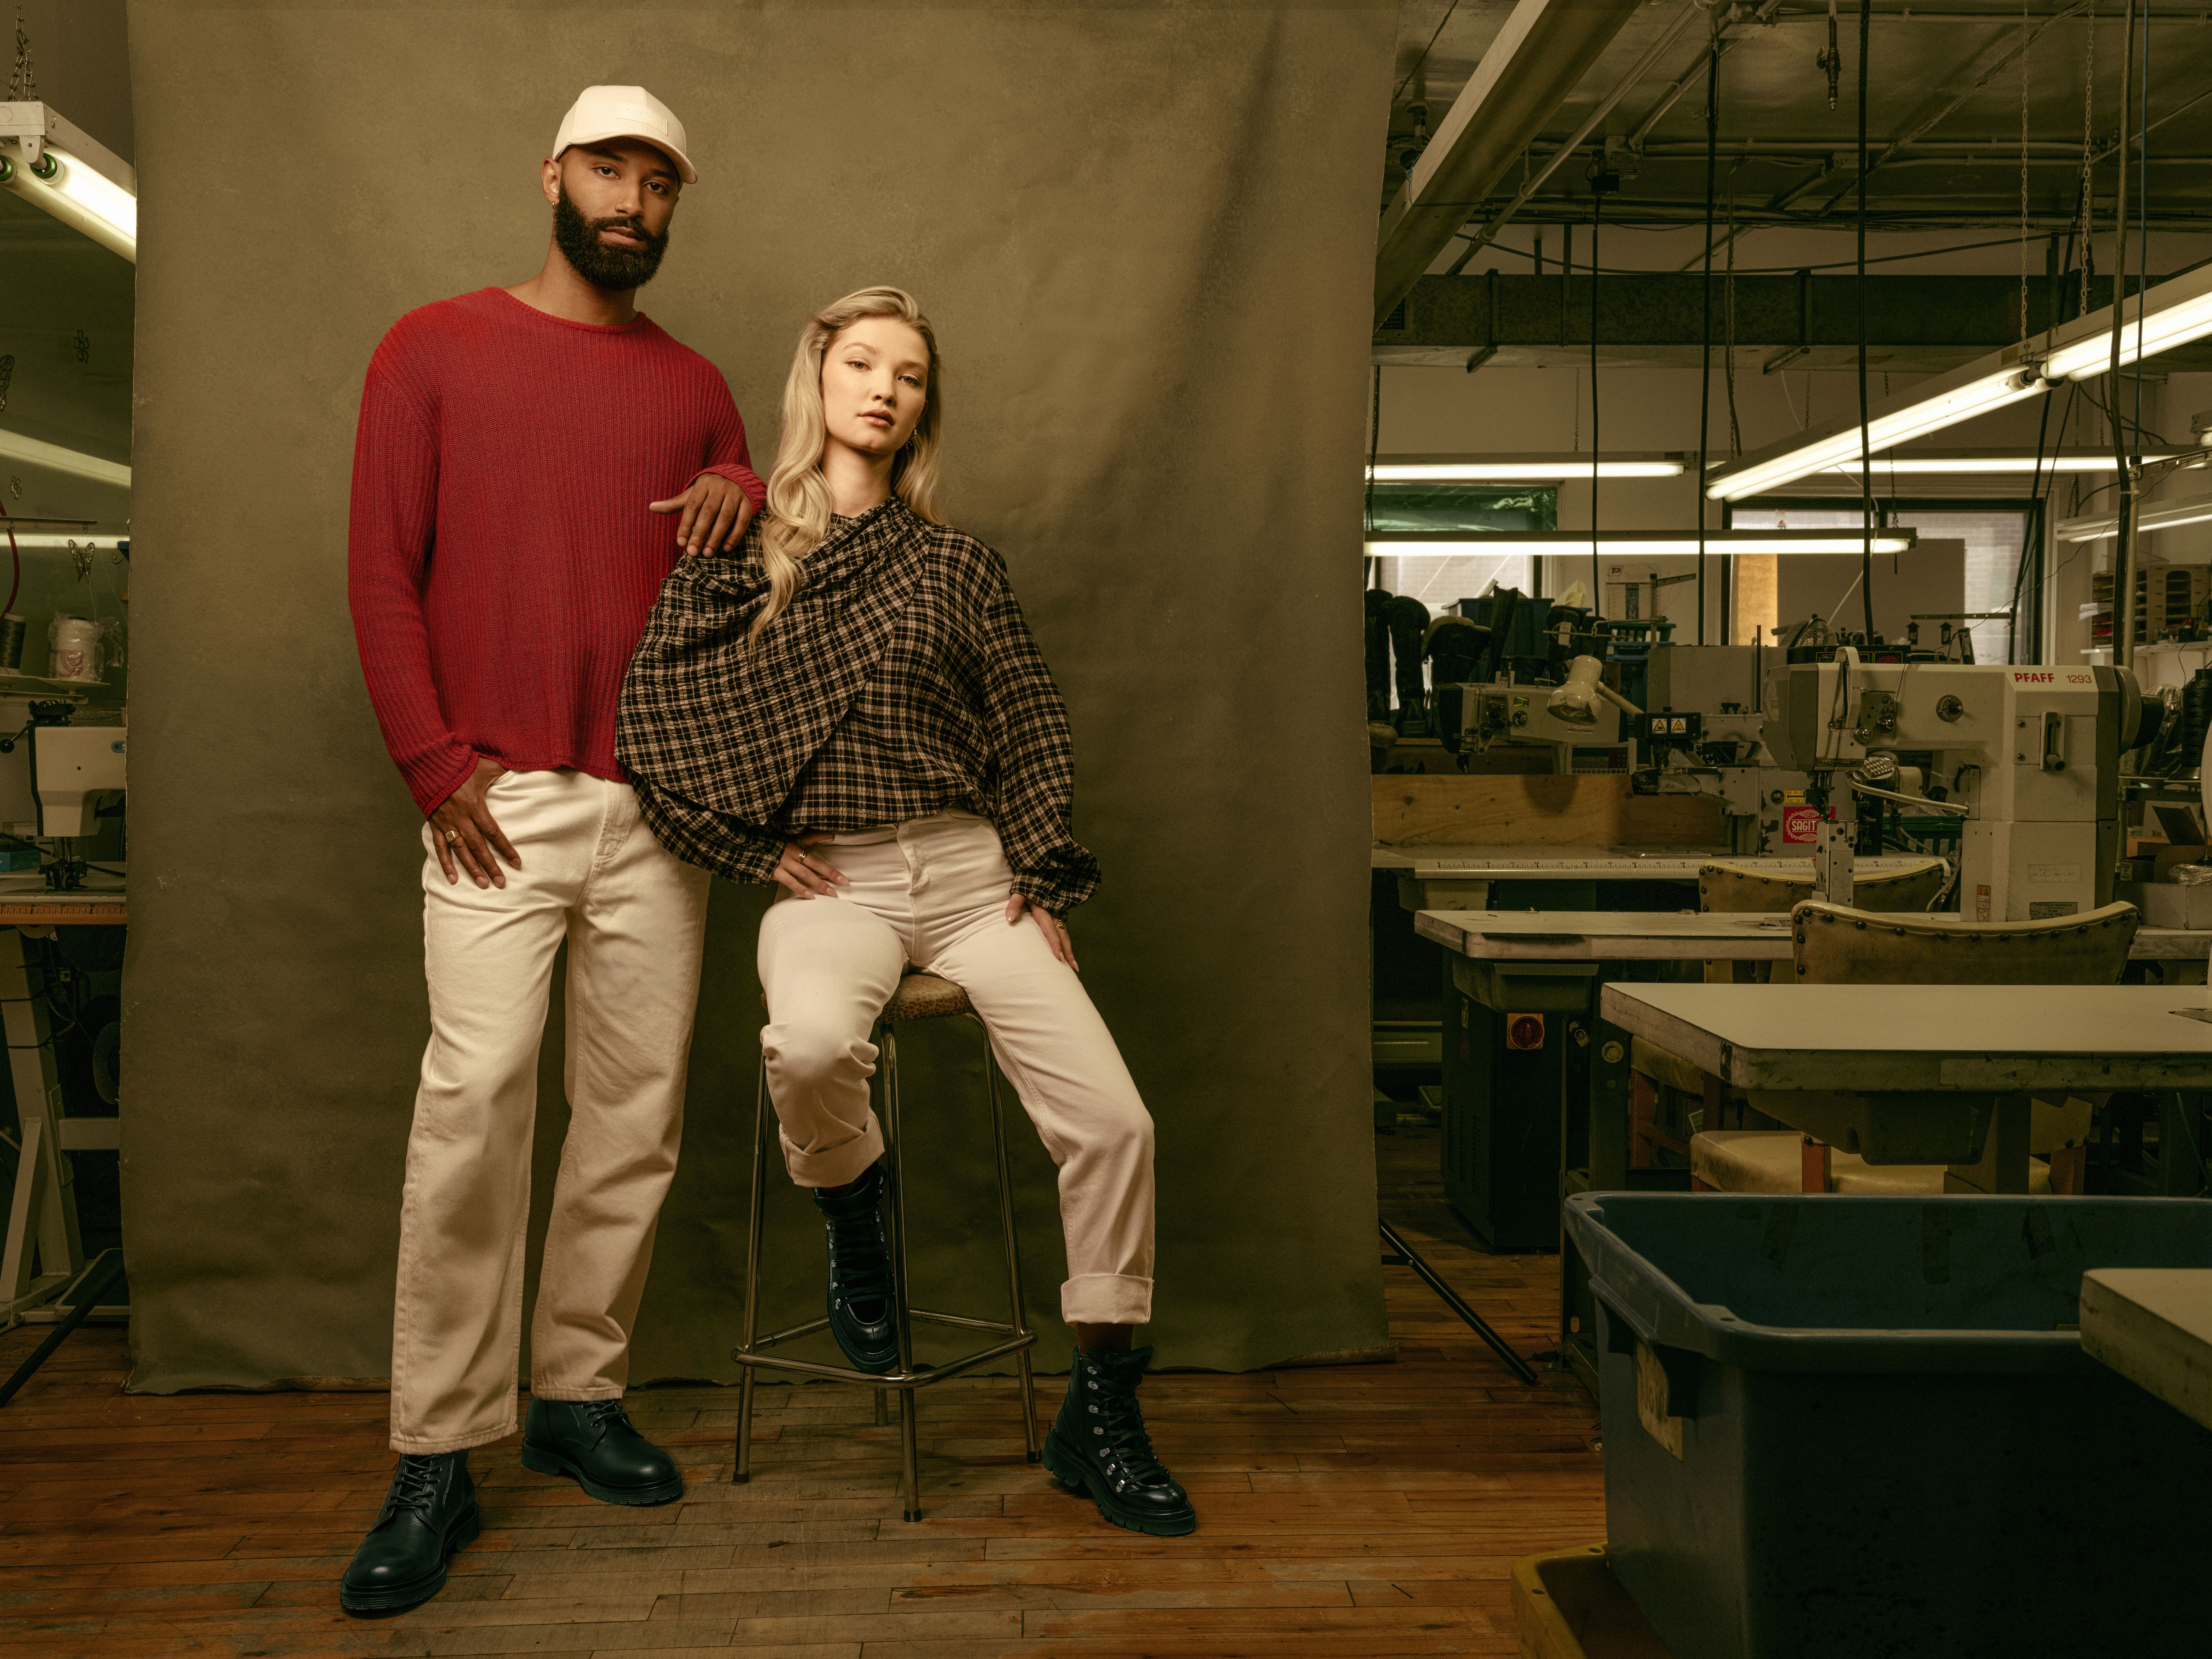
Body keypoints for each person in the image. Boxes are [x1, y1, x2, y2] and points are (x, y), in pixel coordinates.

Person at [616, 286, 1196, 1539]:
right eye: (864, 364)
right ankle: (853, 1208)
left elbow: (1030, 717)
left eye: (912, 375)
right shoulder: (748, 547)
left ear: (927, 405)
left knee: (1117, 1125)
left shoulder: (956, 564)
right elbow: (652, 718)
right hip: (841, 882)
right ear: (817, 380)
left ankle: (1103, 1411)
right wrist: (748, 848)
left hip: (974, 878)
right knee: (812, 1049)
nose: (885, 390)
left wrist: (1039, 870)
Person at [339, 85, 766, 1616]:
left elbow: (757, 537)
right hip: (494, 800)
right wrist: (430, 761)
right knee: (473, 1110)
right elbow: (382, 568)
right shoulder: (432, 348)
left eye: (659, 182)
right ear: (553, 176)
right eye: (609, 170)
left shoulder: (700, 385)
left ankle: (579, 1397)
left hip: (658, 813)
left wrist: (753, 481)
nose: (633, 201)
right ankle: (437, 1451)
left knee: (632, 1120)